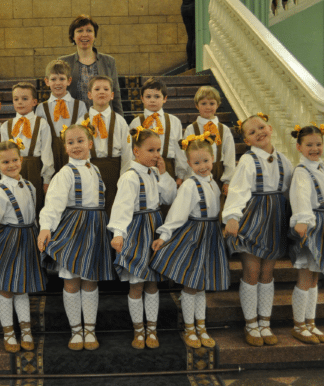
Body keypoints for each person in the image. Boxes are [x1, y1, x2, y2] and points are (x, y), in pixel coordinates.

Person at [38, 123, 115, 351]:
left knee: (90, 279)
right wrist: (46, 227)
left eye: (80, 141)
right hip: (74, 229)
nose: (76, 146)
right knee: (71, 280)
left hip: (96, 228)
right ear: (65, 147)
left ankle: (89, 329)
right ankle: (75, 330)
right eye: (70, 142)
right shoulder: (65, 173)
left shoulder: (96, 170)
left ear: (90, 143)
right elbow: (53, 203)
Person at [149, 133, 230, 349]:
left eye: (206, 161)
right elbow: (177, 214)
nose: (202, 166)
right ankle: (189, 327)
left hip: (211, 235)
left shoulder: (213, 183)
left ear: (213, 158)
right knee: (191, 285)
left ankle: (201, 326)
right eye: (196, 163)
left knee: (201, 285)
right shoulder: (189, 185)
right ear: (188, 163)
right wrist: (164, 236)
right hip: (194, 236)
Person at [0, 140, 47, 353]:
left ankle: (26, 330)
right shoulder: (0, 192)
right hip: (8, 242)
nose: (11, 165)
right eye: (5, 162)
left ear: (21, 160)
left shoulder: (29, 186)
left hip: (28, 239)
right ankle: (8, 332)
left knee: (22, 288)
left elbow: (33, 216)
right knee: (6, 289)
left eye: (15, 160)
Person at [223, 113, 292, 347]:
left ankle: (265, 322)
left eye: (261, 128)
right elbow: (238, 190)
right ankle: (251, 323)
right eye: (252, 132)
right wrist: (232, 216)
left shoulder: (283, 159)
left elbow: (291, 190)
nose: (259, 133)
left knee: (267, 274)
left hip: (275, 220)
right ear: (247, 141)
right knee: (252, 272)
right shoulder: (247, 160)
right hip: (252, 219)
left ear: (270, 128)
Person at [108, 127, 177, 349]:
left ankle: (152, 329)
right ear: (136, 151)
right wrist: (118, 234)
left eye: (158, 150)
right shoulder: (130, 177)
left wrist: (164, 174)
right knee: (137, 283)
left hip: (155, 227)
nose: (156, 154)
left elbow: (169, 197)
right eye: (151, 150)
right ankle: (138, 329)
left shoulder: (155, 173)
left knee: (152, 283)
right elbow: (122, 207)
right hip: (137, 230)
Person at [288, 125, 324, 344]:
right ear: (299, 147)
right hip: (310, 225)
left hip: (321, 224)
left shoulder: (321, 167)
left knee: (314, 277)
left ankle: (310, 322)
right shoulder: (302, 171)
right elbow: (301, 197)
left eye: (318, 144)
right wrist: (302, 220)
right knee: (305, 275)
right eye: (309, 145)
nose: (315, 148)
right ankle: (298, 324)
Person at [78, 75, 133, 216]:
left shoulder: (120, 121)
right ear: (89, 95)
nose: (101, 92)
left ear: (112, 95)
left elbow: (127, 152)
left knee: (114, 209)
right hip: (90, 171)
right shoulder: (81, 122)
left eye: (106, 89)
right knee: (92, 209)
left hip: (114, 172)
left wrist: (124, 178)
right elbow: (77, 151)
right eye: (97, 89)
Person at [0, 82, 54, 215]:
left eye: (25, 98)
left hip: (35, 170)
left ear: (34, 102)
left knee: (36, 206)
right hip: (13, 171)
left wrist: (46, 180)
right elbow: (3, 156)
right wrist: (4, 178)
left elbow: (47, 153)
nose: (20, 102)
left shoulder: (42, 124)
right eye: (16, 99)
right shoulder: (6, 126)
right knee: (16, 207)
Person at [59, 14, 123, 116]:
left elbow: (115, 94)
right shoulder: (63, 62)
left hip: (103, 118)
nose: (85, 34)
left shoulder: (109, 61)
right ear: (73, 36)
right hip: (74, 119)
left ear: (94, 35)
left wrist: (119, 119)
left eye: (89, 30)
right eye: (80, 31)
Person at [129, 77, 188, 187]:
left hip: (168, 167)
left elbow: (179, 151)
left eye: (157, 96)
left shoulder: (174, 122)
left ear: (164, 98)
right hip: (143, 169)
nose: (152, 100)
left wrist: (180, 175)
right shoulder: (136, 122)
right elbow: (132, 151)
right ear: (142, 99)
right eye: (148, 97)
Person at [35, 59, 88, 173]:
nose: (58, 83)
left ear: (69, 81)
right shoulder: (41, 108)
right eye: (53, 79)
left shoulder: (79, 106)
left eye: (62, 79)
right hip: (50, 153)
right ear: (47, 81)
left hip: (74, 151)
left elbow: (83, 133)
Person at [183, 86, 235, 195]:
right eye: (203, 103)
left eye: (212, 103)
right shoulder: (191, 129)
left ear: (217, 105)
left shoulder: (224, 130)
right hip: (198, 171)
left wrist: (228, 180)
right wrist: (190, 177)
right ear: (197, 105)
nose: (208, 107)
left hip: (219, 172)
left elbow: (230, 156)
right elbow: (186, 156)